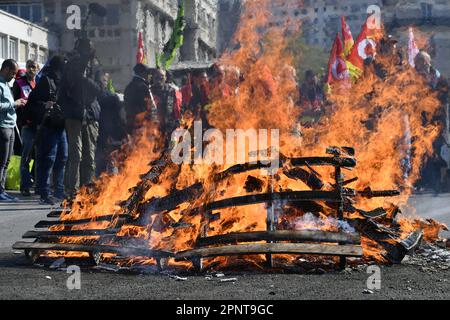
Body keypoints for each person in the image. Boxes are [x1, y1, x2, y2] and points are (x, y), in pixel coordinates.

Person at [26, 55, 67, 205]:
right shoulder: (46, 81)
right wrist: (45, 105)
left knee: (63, 157)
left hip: (60, 125)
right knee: (48, 159)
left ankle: (59, 191)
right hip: (49, 125)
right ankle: (44, 192)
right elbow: (32, 102)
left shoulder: (62, 82)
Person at [59, 55, 102, 198]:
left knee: (89, 156)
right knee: (75, 156)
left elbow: (98, 89)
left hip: (90, 117)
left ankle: (88, 188)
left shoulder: (94, 68)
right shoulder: (70, 70)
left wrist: (85, 79)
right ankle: (73, 190)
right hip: (74, 118)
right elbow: (63, 96)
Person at [415, 51, 450, 193]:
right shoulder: (413, 77)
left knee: (436, 150)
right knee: (421, 151)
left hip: (436, 121)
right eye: (418, 61)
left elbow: (445, 99)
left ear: (428, 62)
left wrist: (445, 123)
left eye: (422, 61)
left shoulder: (439, 78)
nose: (420, 64)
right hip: (419, 121)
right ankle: (425, 182)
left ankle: (436, 182)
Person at [0, 59, 26, 202]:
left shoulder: (6, 84)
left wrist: (17, 104)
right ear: (5, 69)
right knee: (1, 161)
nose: (14, 76)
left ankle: (2, 190)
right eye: (13, 73)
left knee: (7, 160)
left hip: (10, 126)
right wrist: (13, 103)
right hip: (2, 127)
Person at [12, 60, 38, 196]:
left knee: (39, 156)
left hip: (39, 125)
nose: (31, 69)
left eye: (33, 67)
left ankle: (36, 183)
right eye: (29, 67)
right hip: (26, 125)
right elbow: (14, 103)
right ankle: (25, 186)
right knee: (26, 156)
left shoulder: (39, 84)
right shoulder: (19, 83)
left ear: (37, 69)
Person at [96, 70, 127, 176]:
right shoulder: (110, 97)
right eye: (103, 80)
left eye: (105, 80)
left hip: (102, 132)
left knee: (103, 161)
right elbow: (119, 117)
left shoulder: (108, 96)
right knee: (106, 161)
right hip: (104, 132)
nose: (103, 82)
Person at [123, 63, 154, 135]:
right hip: (142, 125)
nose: (149, 75)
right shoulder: (143, 87)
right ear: (143, 73)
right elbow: (148, 107)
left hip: (131, 123)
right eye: (148, 73)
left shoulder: (129, 86)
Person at [151, 68, 181, 135]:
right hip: (154, 128)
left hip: (171, 127)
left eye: (161, 77)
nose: (159, 80)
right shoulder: (149, 92)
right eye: (156, 77)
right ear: (152, 78)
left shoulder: (172, 91)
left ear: (165, 78)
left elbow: (178, 109)